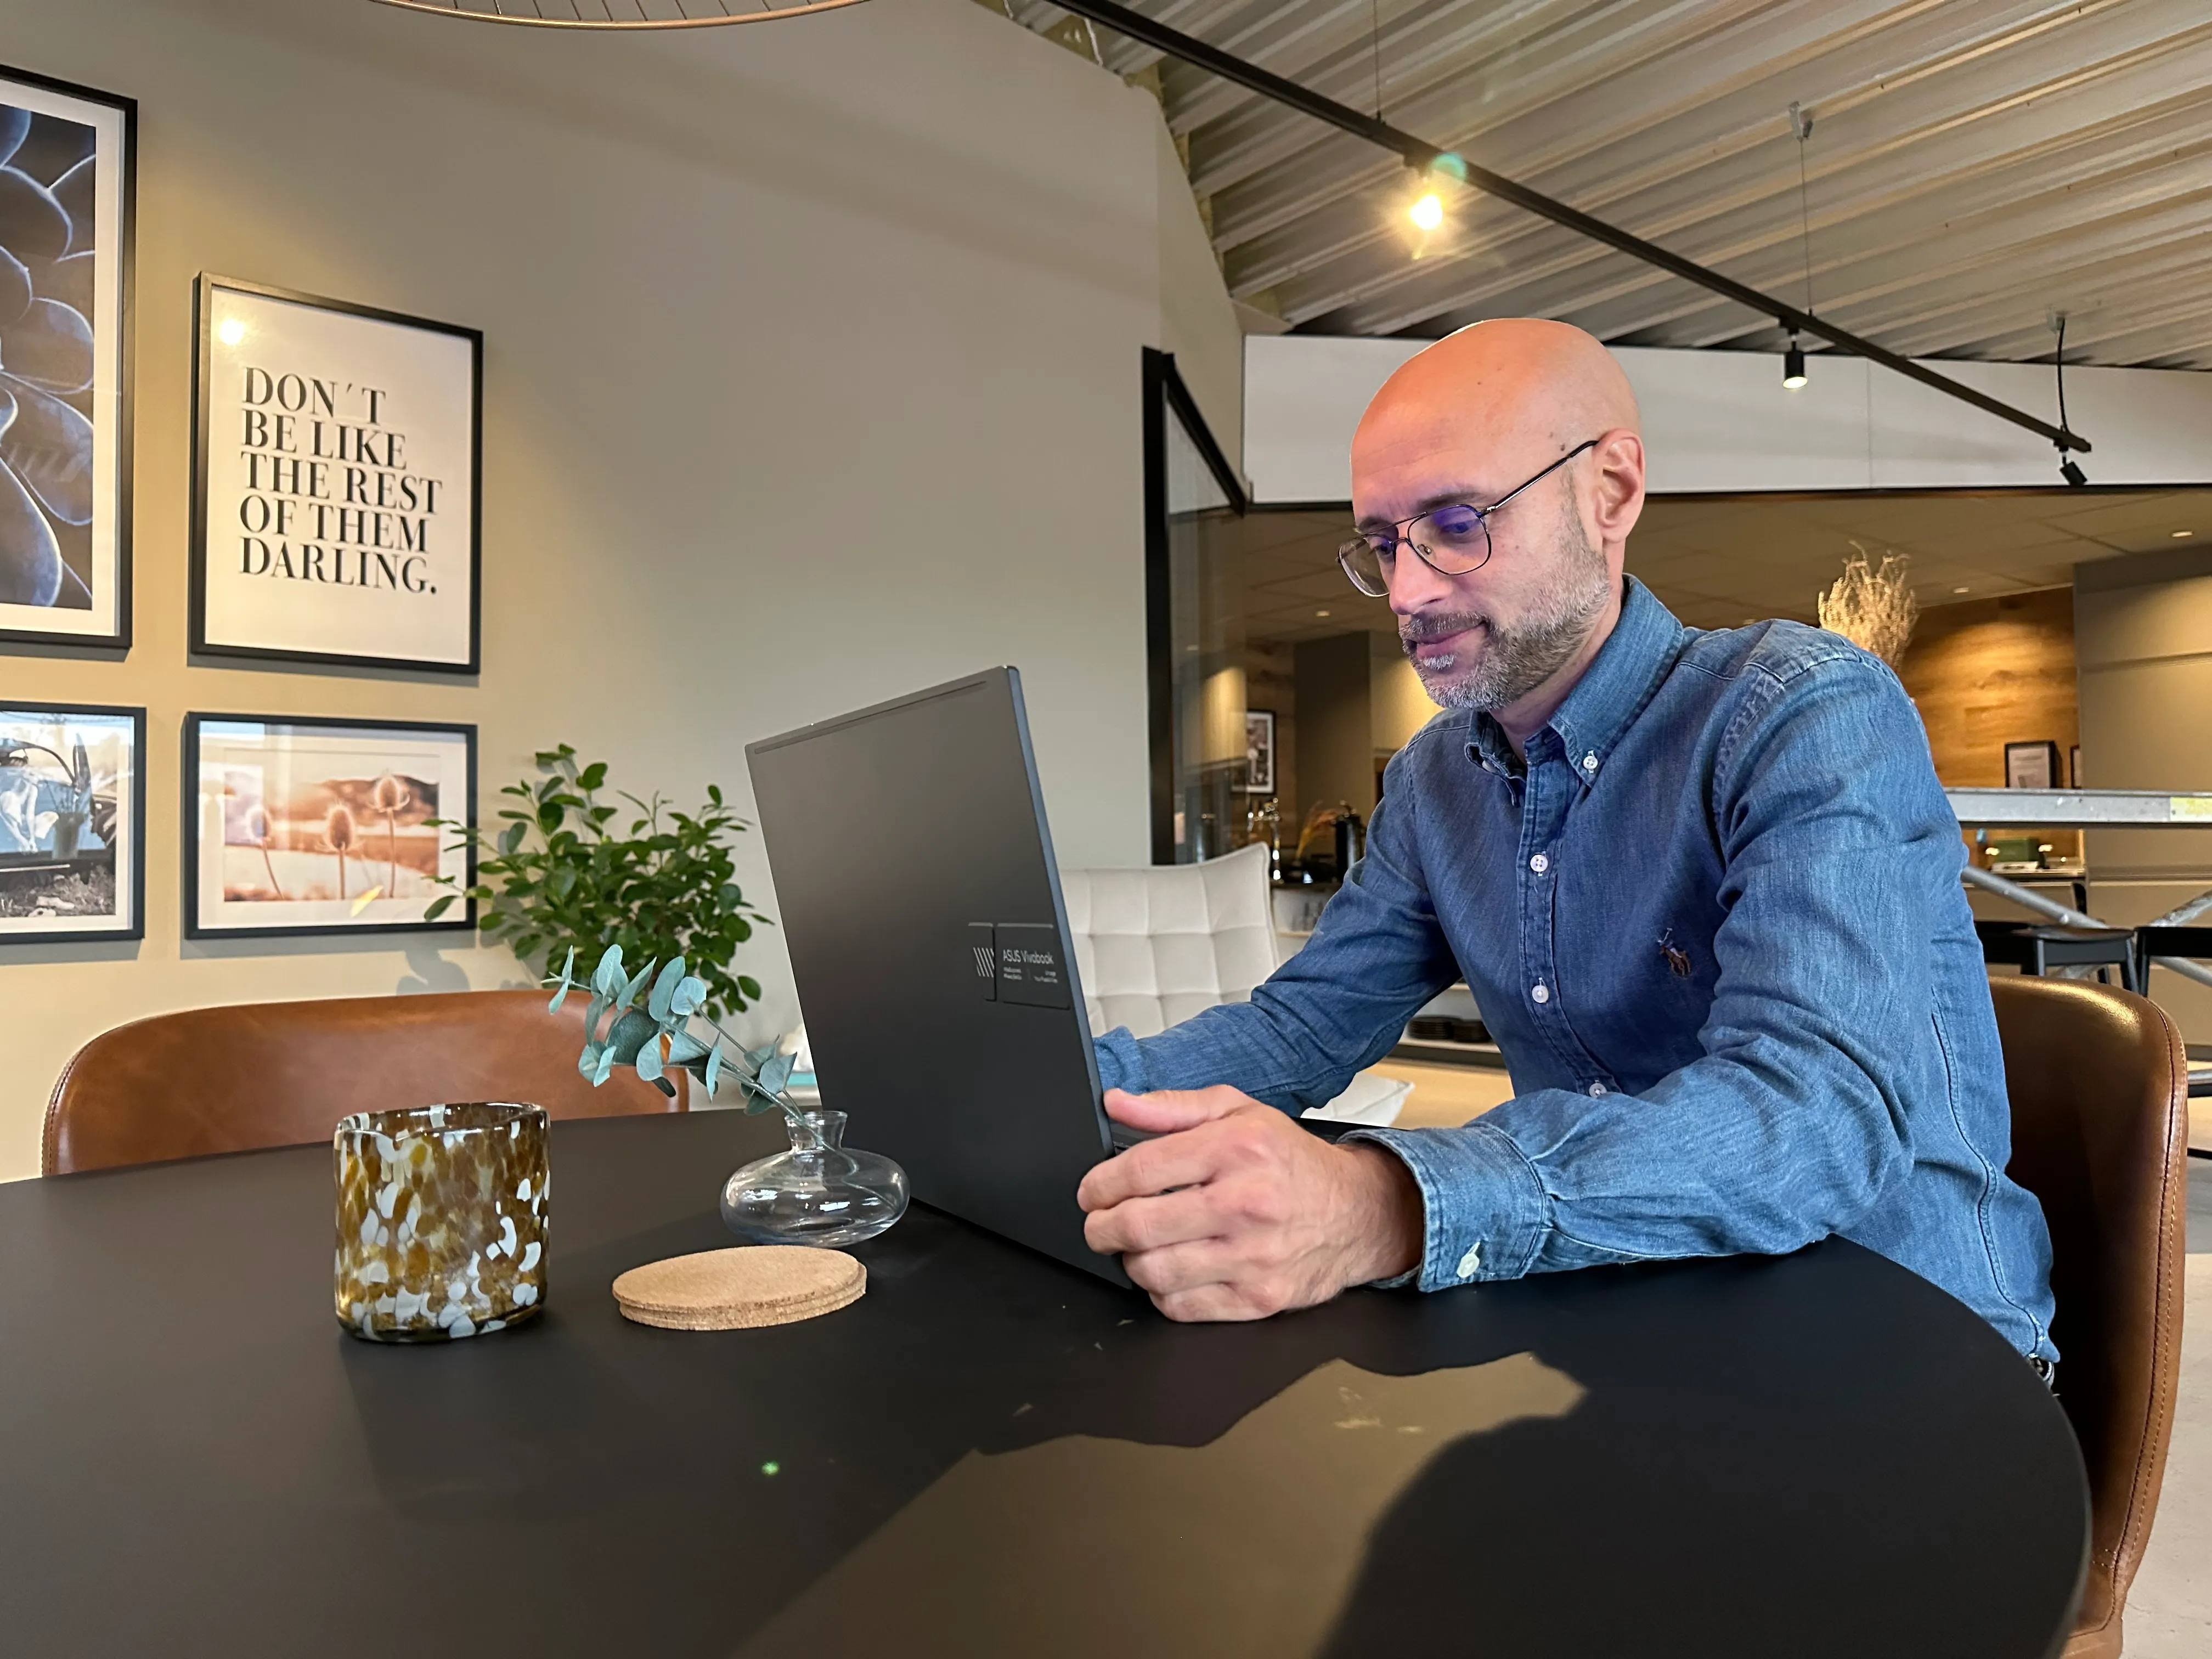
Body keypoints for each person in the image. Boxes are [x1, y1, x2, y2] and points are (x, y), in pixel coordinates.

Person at [1077, 319, 2056, 1368]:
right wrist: (1061, 1092)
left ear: (1613, 491)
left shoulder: (1799, 713)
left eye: (1457, 523)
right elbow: (1304, 1031)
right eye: (1382, 543)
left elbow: (1808, 1121)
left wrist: (1385, 1203)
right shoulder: (1433, 781)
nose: (1408, 592)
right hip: (1620, 1316)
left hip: (1900, 1347)